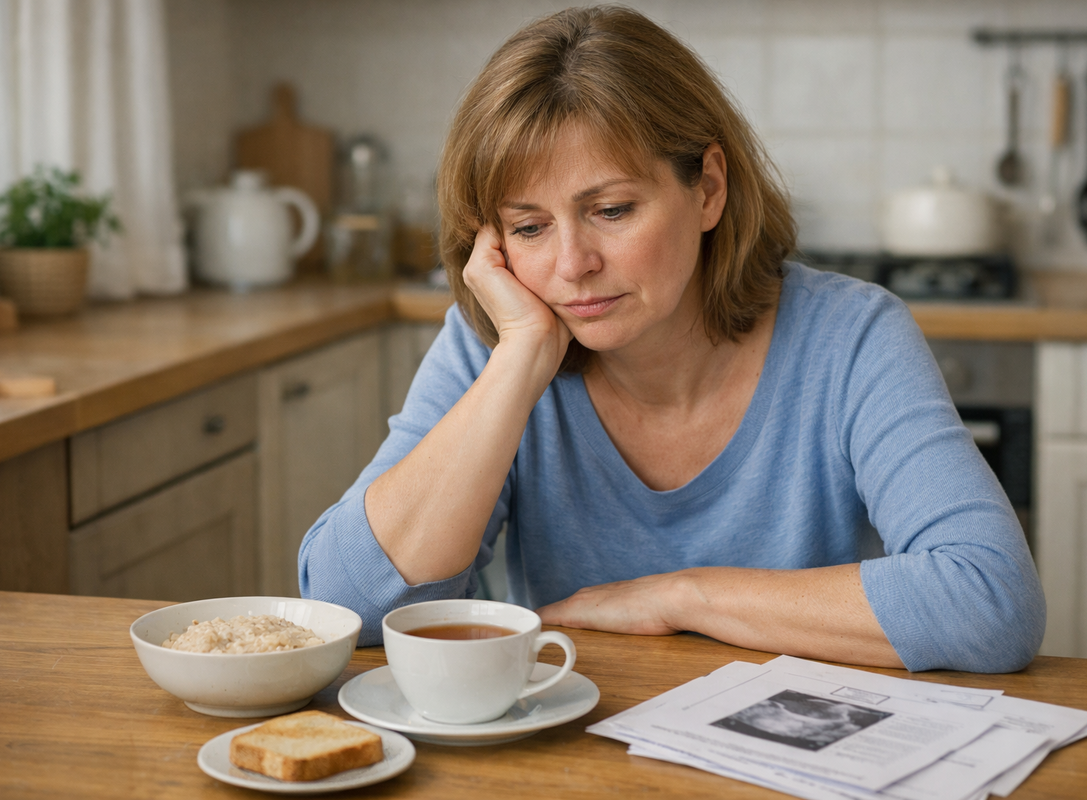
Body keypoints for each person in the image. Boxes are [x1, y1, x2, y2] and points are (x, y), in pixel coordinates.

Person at [299, 5, 1045, 673]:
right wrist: (518, 362)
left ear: (708, 188)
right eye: (529, 227)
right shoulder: (498, 343)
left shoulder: (851, 338)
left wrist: (683, 597)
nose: (572, 265)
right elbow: (342, 611)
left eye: (612, 210)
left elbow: (991, 602)